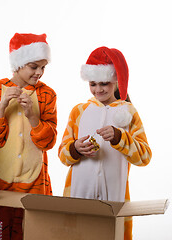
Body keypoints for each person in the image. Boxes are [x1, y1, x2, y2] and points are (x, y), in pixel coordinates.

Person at [58, 46, 151, 240]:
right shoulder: (79, 111)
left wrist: (120, 138)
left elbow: (144, 157)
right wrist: (75, 148)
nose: (98, 89)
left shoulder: (129, 112)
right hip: (78, 195)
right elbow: (63, 156)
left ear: (116, 81)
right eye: (93, 83)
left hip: (114, 198)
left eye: (104, 84)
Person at [0, 33, 57, 239]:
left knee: (34, 233)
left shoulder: (47, 94)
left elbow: (48, 141)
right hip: (2, 180)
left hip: (35, 181)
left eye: (43, 67)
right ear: (19, 63)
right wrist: (1, 107)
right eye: (34, 66)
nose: (40, 72)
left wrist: (33, 116)